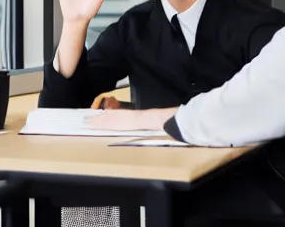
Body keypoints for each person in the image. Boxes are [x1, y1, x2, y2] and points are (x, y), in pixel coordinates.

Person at [39, 0, 285, 227]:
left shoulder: (256, 21)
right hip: (164, 192)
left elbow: (263, 103)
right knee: (77, 210)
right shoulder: (133, 27)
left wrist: (137, 115)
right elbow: (59, 108)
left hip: (255, 193)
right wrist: (75, 24)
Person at [87, 25, 285, 148]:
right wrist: (75, 24)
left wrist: (140, 118)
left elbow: (243, 107)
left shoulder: (257, 20)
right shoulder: (129, 28)